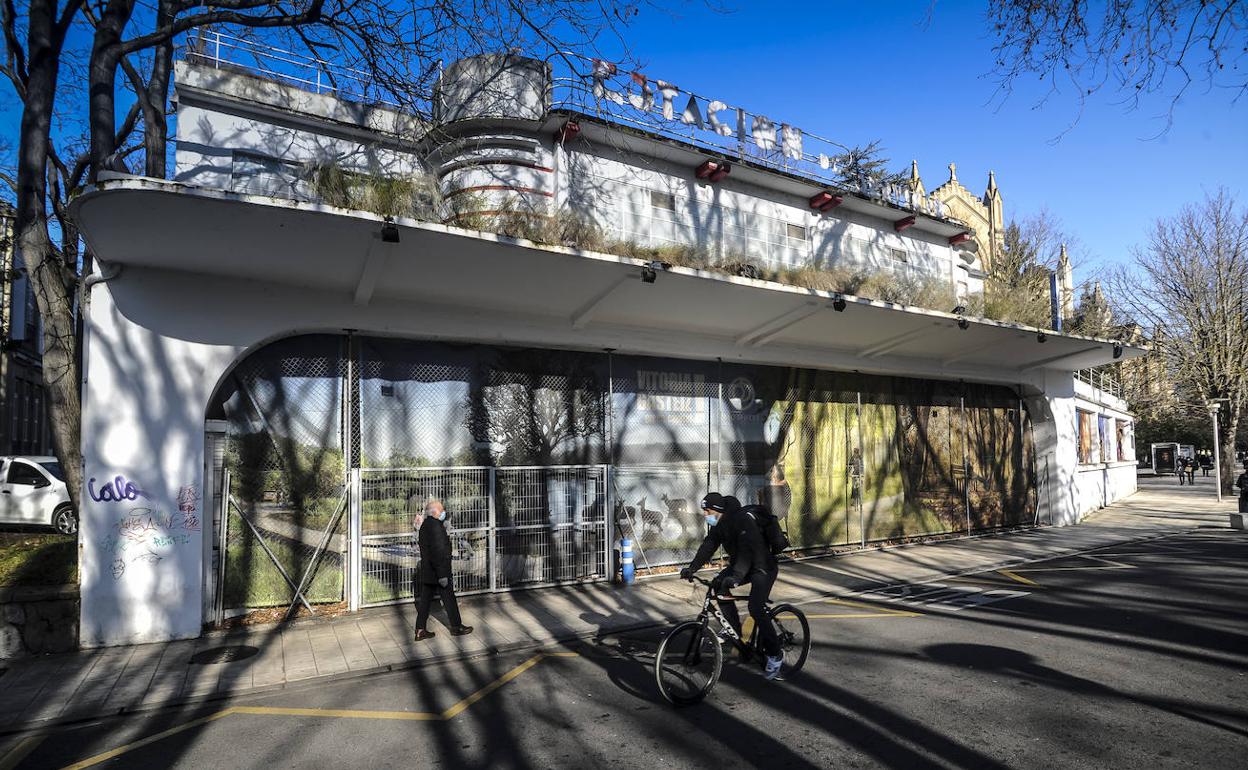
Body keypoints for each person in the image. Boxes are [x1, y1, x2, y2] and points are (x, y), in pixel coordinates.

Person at [679, 492, 784, 680]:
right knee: (718, 586)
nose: (705, 515)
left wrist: (736, 577)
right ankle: (734, 630)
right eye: (704, 511)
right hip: (741, 566)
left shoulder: (742, 520)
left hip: (762, 566)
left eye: (708, 511)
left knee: (755, 607)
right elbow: (708, 545)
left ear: (718, 510)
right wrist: (692, 568)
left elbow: (747, 551)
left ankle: (776, 654)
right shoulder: (720, 525)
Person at [413, 498, 473, 641]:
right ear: (435, 512)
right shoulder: (436, 527)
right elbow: (438, 552)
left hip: (428, 570)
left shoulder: (425, 525)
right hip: (439, 571)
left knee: (425, 601)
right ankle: (456, 627)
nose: (444, 513)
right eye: (441, 510)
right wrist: (442, 574)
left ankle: (420, 629)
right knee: (449, 599)